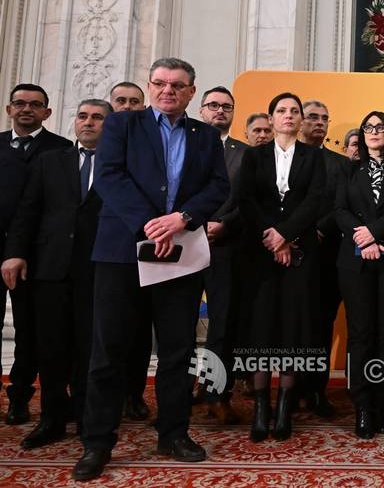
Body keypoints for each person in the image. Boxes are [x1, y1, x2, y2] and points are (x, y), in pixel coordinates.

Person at [72, 58, 230, 481]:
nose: (168, 91)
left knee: (178, 351)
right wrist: (149, 222)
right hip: (122, 252)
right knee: (109, 351)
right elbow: (109, 177)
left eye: (178, 85)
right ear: (150, 85)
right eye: (160, 83)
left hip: (181, 254)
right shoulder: (123, 125)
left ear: (191, 92)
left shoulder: (205, 136)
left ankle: (174, 433)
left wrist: (181, 218)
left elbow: (218, 186)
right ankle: (98, 442)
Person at [2, 99, 109, 449]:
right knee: (50, 348)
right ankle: (51, 418)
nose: (88, 123)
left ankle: (84, 417)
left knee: (88, 347)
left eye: (97, 118)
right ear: (74, 122)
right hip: (51, 268)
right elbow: (28, 211)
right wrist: (15, 253)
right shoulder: (51, 161)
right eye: (82, 116)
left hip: (99, 269)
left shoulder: (119, 165)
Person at [319, 110, 384, 438]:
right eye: (368, 127)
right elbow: (339, 209)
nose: (374, 132)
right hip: (354, 263)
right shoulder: (347, 169)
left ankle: (383, 403)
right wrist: (363, 238)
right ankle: (362, 405)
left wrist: (374, 233)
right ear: (361, 134)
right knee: (361, 334)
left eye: (380, 127)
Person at [237, 92, 326, 442]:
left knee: (293, 330)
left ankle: (285, 407)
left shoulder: (314, 158)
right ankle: (261, 408)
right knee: (261, 329)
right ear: (271, 118)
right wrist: (272, 239)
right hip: (259, 255)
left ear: (301, 119)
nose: (288, 115)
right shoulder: (253, 156)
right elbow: (246, 199)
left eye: (294, 111)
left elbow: (317, 199)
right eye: (282, 110)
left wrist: (287, 235)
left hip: (300, 253)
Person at [0, 83, 72, 426]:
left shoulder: (61, 150)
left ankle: (20, 396)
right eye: (20, 103)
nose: (26, 109)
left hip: (37, 255)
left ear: (47, 112)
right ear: (9, 109)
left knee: (31, 331)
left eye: (35, 105)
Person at [195, 86, 247, 424]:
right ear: (201, 109)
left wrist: (223, 224)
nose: (219, 111)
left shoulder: (245, 154)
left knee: (223, 325)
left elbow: (251, 201)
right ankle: (182, 392)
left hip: (225, 247)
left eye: (226, 106)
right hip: (181, 244)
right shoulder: (182, 145)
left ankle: (218, 394)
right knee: (177, 324)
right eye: (212, 105)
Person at [299, 99, 349, 418]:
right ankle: (290, 391)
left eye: (325, 118)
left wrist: (319, 229)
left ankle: (315, 391)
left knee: (320, 325)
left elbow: (343, 205)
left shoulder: (340, 164)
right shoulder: (281, 159)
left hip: (326, 254)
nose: (319, 122)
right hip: (287, 252)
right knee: (290, 325)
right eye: (313, 117)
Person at [107, 82, 153, 421]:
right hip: (108, 253)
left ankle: (134, 395)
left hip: (155, 246)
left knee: (140, 332)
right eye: (120, 101)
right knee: (104, 337)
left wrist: (154, 226)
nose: (126, 107)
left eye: (133, 101)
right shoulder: (65, 155)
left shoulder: (153, 144)